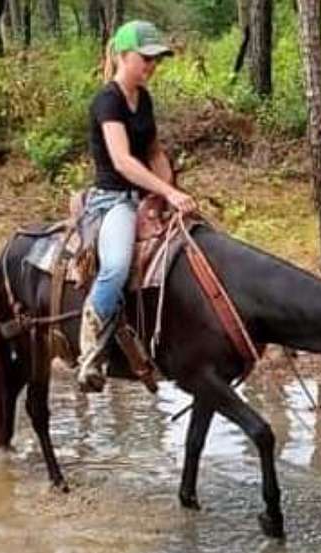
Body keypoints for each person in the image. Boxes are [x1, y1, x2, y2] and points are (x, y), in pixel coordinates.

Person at [77, 20, 197, 393]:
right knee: (115, 266)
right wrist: (166, 191)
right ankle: (90, 351)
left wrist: (168, 194)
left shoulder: (143, 98)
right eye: (145, 59)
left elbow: (154, 152)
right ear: (123, 56)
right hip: (113, 202)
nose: (151, 66)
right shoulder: (107, 100)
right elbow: (124, 161)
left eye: (155, 60)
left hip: (145, 198)